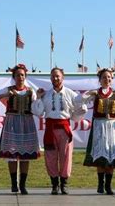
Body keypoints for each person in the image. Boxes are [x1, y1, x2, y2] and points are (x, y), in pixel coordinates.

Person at [33, 67, 87, 195]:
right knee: (50, 157)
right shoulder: (46, 94)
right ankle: (54, 184)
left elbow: (82, 108)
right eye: (53, 76)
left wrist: (74, 117)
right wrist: (39, 98)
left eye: (57, 76)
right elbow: (39, 112)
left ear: (63, 77)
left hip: (64, 128)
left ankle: (64, 183)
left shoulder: (70, 93)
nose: (55, 78)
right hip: (50, 129)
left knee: (66, 157)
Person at [0, 64, 40, 195]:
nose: (20, 77)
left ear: (25, 76)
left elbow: (36, 107)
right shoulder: (8, 89)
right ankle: (13, 183)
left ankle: (22, 185)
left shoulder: (31, 91)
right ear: (14, 77)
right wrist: (5, 95)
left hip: (27, 123)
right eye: (18, 75)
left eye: (22, 75)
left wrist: (39, 97)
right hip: (12, 123)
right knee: (12, 155)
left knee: (25, 155)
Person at [81, 68, 115, 195]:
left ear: (112, 79)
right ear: (100, 79)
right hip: (99, 126)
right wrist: (88, 93)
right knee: (101, 155)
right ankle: (100, 184)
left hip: (112, 126)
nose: (107, 79)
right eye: (104, 77)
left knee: (111, 155)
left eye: (109, 77)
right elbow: (80, 101)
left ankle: (108, 185)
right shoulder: (95, 93)